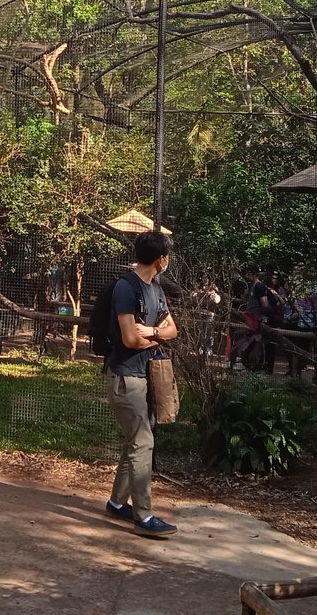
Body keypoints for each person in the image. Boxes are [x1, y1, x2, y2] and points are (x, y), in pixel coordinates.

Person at [103, 230, 179, 536]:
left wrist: (151, 333)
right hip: (126, 378)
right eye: (168, 256)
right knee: (143, 441)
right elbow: (130, 338)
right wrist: (153, 335)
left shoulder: (155, 288)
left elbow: (172, 330)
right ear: (161, 259)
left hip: (146, 375)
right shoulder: (127, 288)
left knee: (136, 440)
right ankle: (144, 515)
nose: (169, 260)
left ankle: (117, 503)